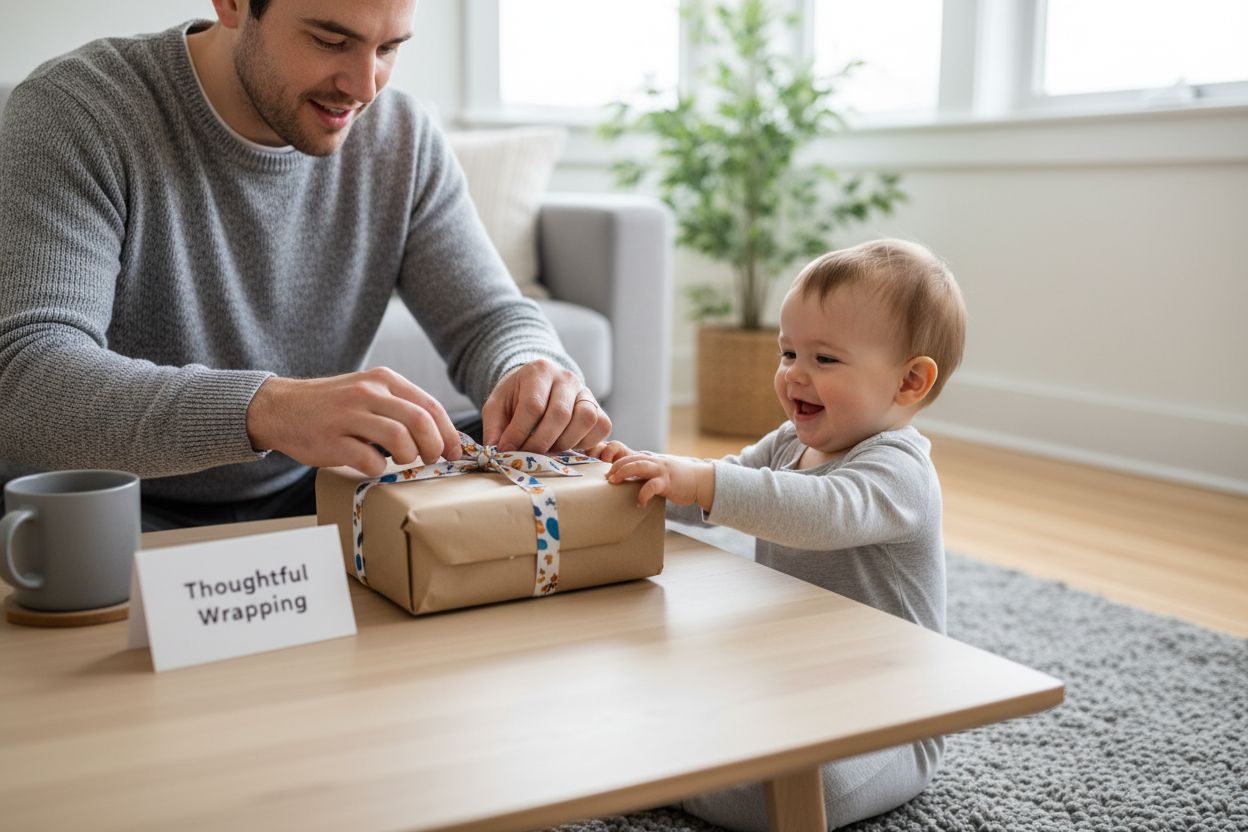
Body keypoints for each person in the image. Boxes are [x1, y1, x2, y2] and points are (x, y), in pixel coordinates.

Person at [0, 0, 610, 530]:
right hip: (102, 502)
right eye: (330, 40)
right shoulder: (77, 112)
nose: (365, 86)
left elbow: (489, 319)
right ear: (233, 4)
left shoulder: (401, 139)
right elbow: (24, 377)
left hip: (311, 491)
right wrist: (267, 410)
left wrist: (532, 366)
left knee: (517, 454)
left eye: (389, 48)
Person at [589, 239, 967, 832]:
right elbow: (731, 482)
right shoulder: (793, 442)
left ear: (910, 382)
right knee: (652, 686)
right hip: (792, 681)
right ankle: (682, 759)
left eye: (825, 359)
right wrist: (657, 476)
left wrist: (702, 482)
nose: (795, 374)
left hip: (890, 715)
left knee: (795, 800)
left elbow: (819, 512)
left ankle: (676, 777)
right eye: (788, 352)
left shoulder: (900, 471)